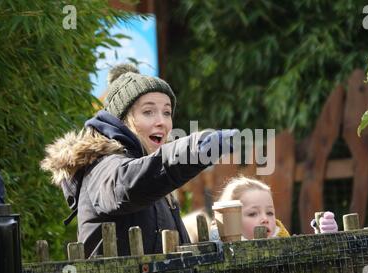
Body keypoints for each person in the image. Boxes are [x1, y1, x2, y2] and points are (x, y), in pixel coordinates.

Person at [41, 63, 239, 258]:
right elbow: (127, 184)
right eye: (148, 112)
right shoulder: (101, 166)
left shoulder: (154, 172)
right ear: (123, 120)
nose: (161, 121)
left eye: (167, 112)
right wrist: (194, 150)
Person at [209, 175, 338, 240]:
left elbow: (310, 264)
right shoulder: (220, 254)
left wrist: (325, 238)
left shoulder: (284, 243)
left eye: (270, 212)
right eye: (253, 214)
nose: (265, 219)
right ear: (230, 218)